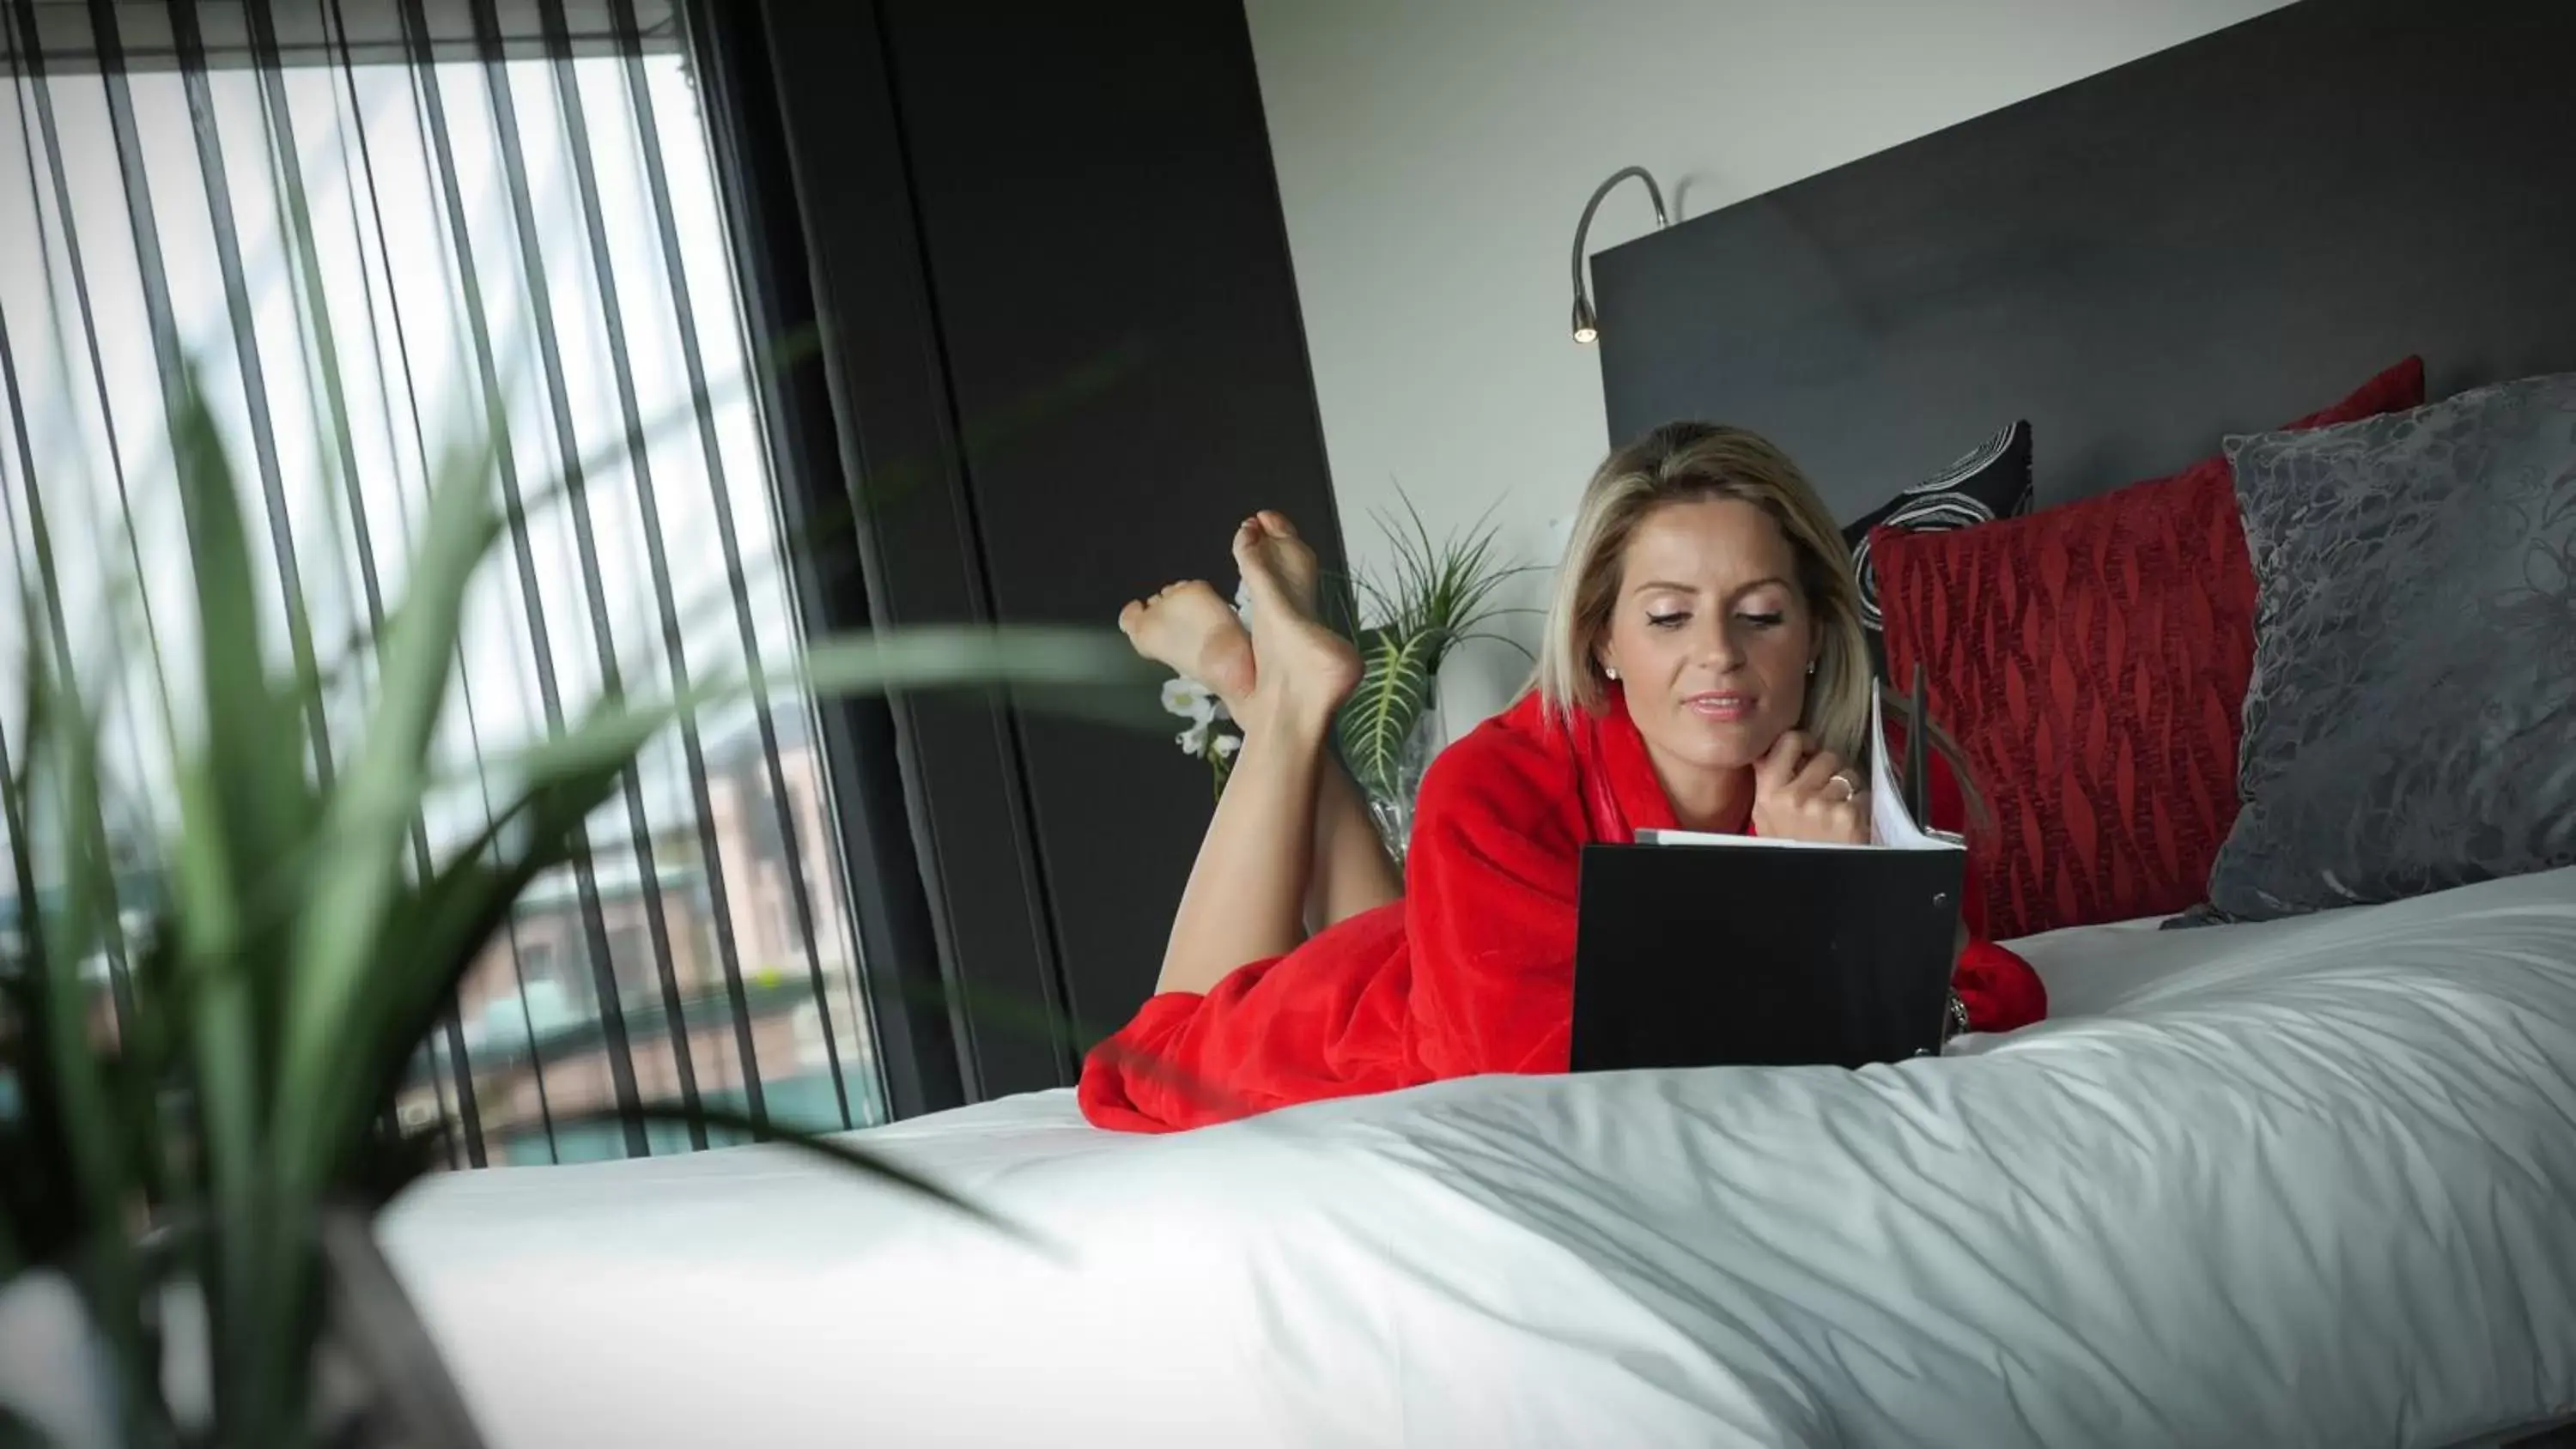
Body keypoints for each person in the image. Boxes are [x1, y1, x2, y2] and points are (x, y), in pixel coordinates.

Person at [1080, 421, 2046, 1132]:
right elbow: (1544, 1077)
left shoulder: (1875, 780)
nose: (1718, 654)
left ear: (1816, 633)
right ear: (1604, 640)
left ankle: (1264, 685)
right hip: (1376, 1018)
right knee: (1149, 1054)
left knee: (1409, 930)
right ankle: (1279, 702)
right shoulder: (1488, 785)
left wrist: (1864, 888)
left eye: (1759, 613)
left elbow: (1992, 992)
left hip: (1454, 954)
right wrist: (1802, 897)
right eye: (1668, 617)